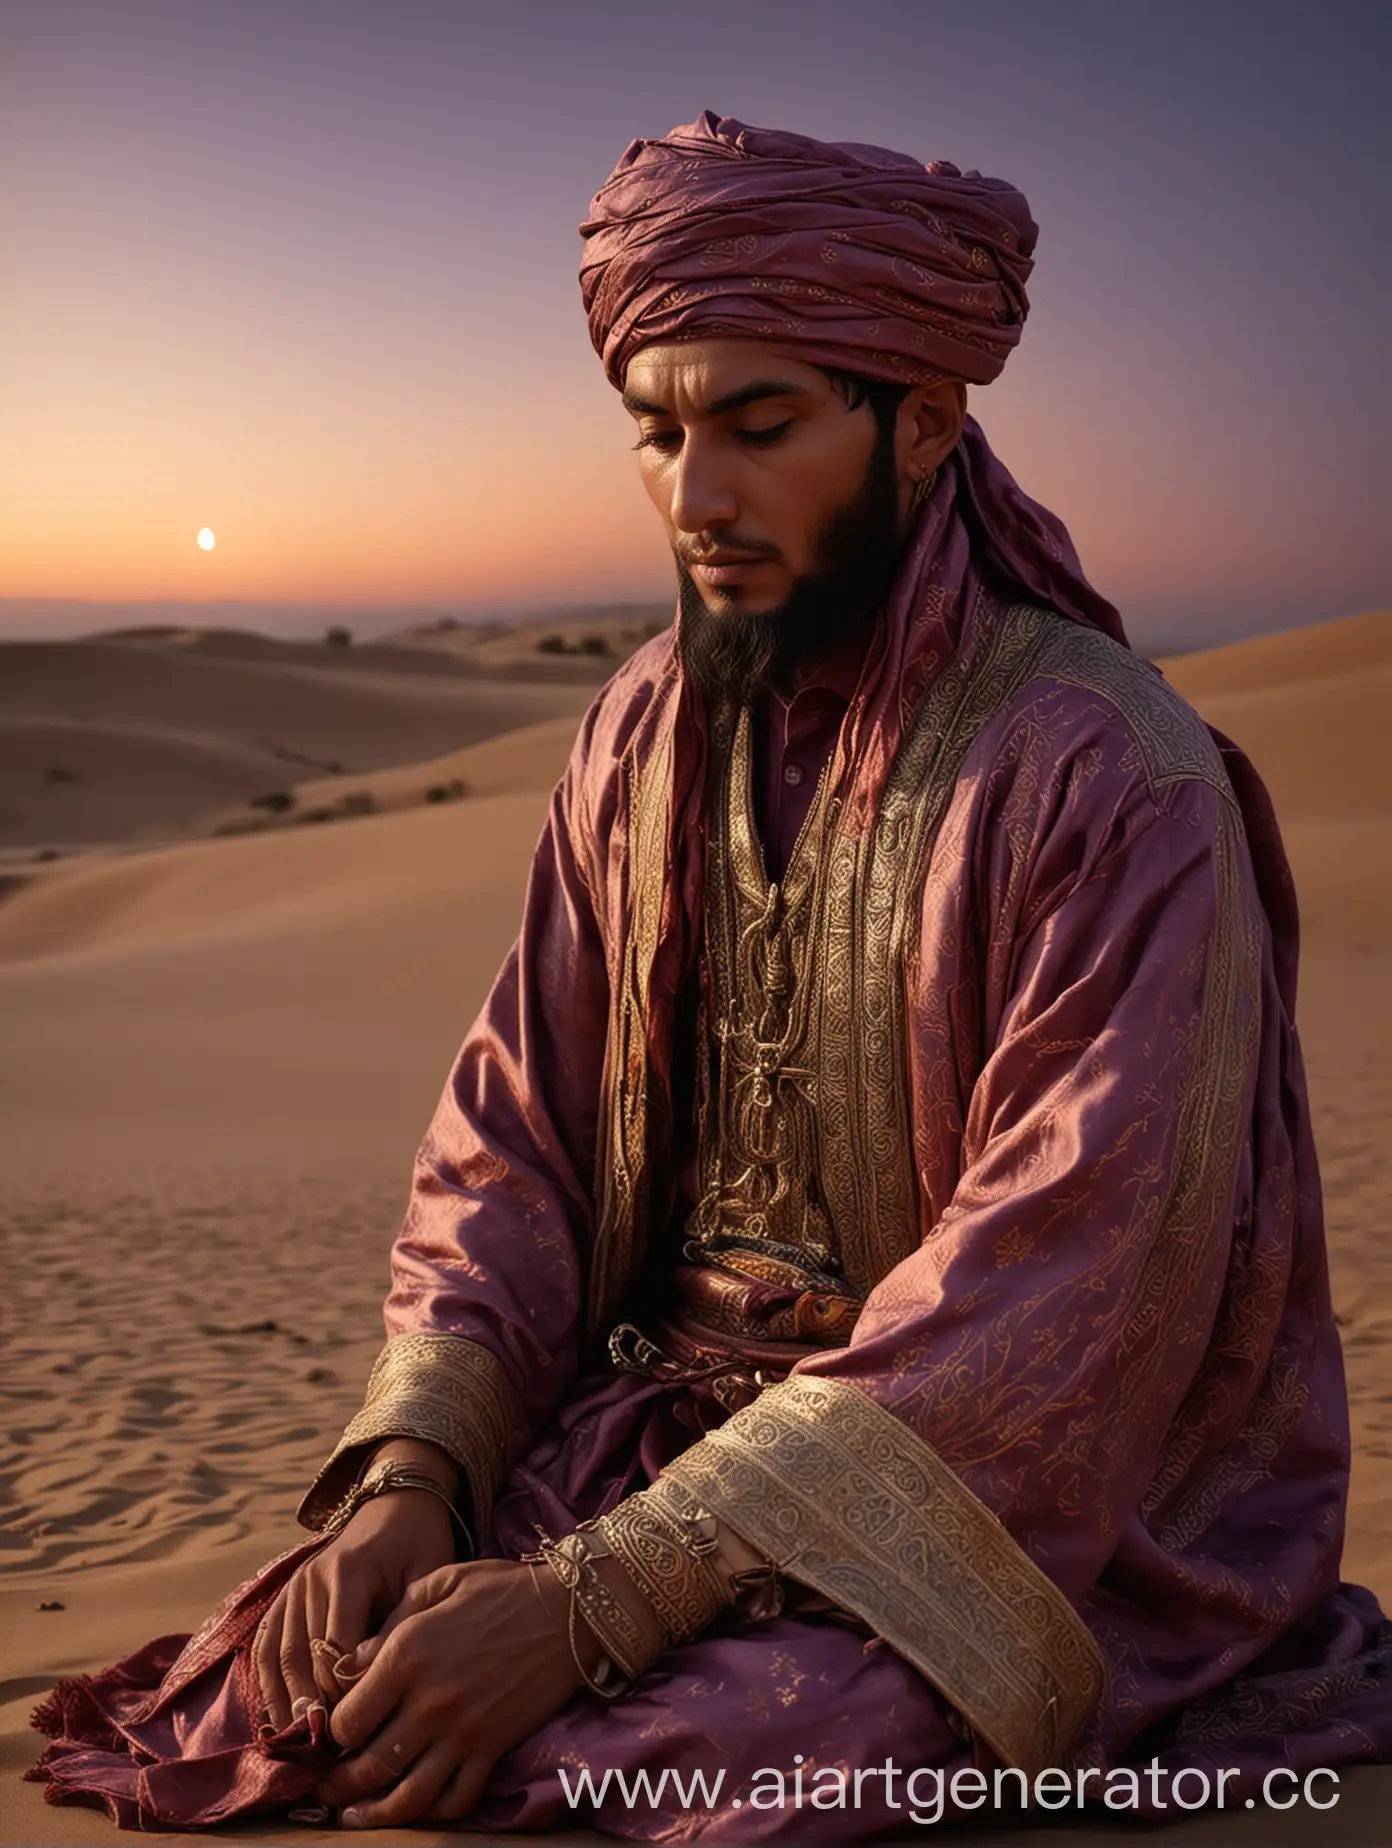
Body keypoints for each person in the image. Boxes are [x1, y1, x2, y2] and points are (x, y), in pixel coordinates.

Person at [31, 111, 1392, 1840]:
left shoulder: (1114, 779)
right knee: (313, 1680)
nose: (697, 496)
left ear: (924, 423)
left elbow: (1070, 1290)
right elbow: (515, 1134)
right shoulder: (637, 731)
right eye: (657, 432)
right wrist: (418, 1477)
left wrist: (598, 1601)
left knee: (692, 1760)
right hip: (650, 1433)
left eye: (759, 427)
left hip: (1008, 1506)